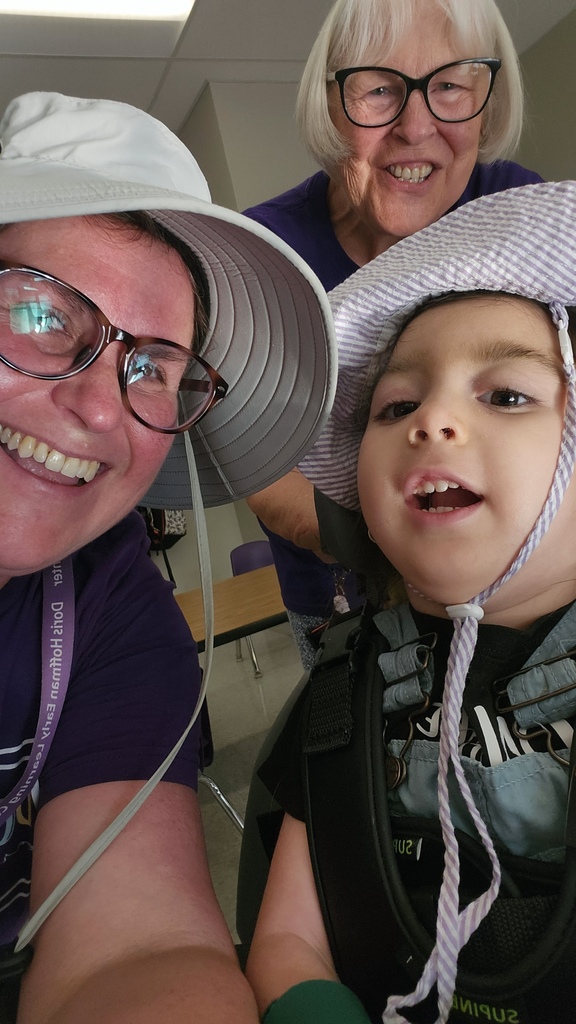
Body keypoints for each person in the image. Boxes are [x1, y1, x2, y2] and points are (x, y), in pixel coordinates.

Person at [0, 90, 335, 1024]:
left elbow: (139, 952)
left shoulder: (114, 608)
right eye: (41, 316)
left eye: (151, 366)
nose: (100, 409)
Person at [244, 180, 576, 1024]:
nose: (431, 421)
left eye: (506, 395)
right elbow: (288, 941)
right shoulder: (342, 690)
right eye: (396, 406)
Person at [243, 0, 543, 670]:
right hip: (340, 588)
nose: (416, 126)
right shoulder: (265, 258)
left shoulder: (519, 215)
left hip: (520, 576)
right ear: (330, 105)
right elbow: (257, 460)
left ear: (488, 101)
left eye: (451, 85)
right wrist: (401, 551)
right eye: (379, 89)